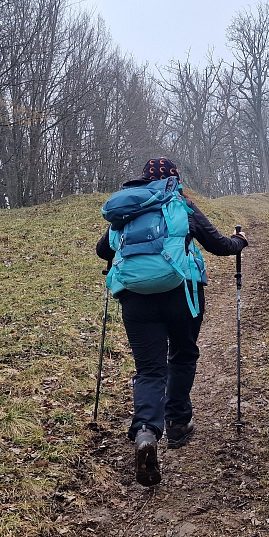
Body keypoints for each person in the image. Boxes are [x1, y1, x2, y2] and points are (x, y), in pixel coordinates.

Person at [96, 158, 248, 487]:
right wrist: (241, 241)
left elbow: (101, 250)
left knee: (150, 370)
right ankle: (178, 423)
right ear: (174, 179)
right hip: (182, 291)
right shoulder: (180, 203)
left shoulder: (127, 208)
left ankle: (147, 432)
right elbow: (219, 246)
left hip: (135, 298)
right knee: (182, 354)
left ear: (143, 178)